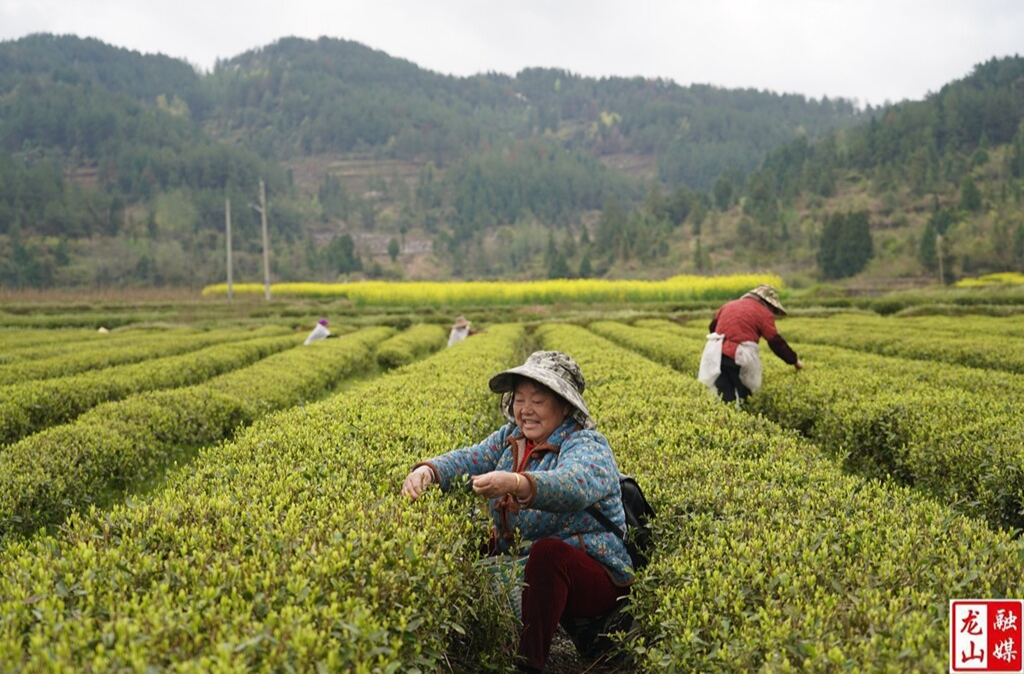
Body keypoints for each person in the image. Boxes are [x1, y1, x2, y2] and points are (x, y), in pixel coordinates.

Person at [401, 351, 634, 673]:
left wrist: (516, 482)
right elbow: (470, 459)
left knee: (548, 554)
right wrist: (429, 471)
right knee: (471, 547)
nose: (526, 410)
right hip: (532, 562)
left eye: (538, 400)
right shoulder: (510, 438)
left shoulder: (587, 444)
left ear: (565, 405)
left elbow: (574, 485)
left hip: (594, 572)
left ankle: (529, 664)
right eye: (520, 399)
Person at [700, 284, 804, 406]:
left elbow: (712, 327)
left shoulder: (728, 305)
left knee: (725, 398)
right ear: (768, 303)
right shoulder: (763, 312)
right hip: (739, 357)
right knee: (746, 398)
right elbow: (775, 342)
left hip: (716, 355)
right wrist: (794, 361)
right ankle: (747, 422)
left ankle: (727, 422)